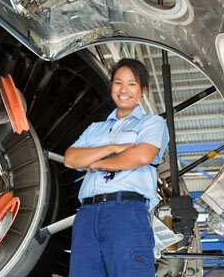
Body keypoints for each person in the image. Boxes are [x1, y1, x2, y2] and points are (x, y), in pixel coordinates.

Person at [64, 58, 169, 277]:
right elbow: (71, 159)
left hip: (126, 212)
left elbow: (141, 156)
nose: (124, 90)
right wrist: (112, 147)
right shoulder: (95, 129)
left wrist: (97, 163)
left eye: (132, 84)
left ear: (142, 91)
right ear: (111, 86)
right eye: (118, 83)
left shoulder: (152, 123)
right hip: (87, 216)